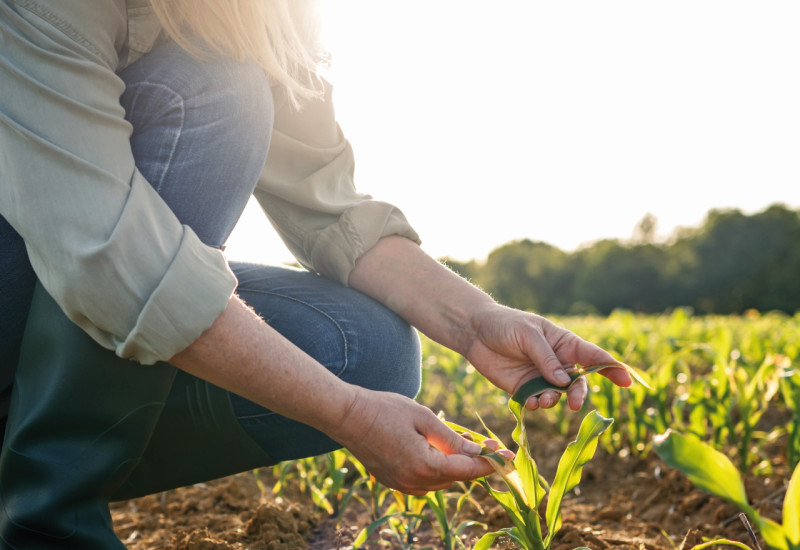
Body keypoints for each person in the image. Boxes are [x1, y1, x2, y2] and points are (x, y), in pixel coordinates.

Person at [0, 1, 632, 547]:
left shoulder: (267, 17)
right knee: (211, 97)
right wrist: (349, 417)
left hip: (78, 270)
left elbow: (328, 204)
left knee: (366, 348)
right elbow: (114, 261)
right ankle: (45, 527)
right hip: (51, 254)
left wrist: (476, 324)